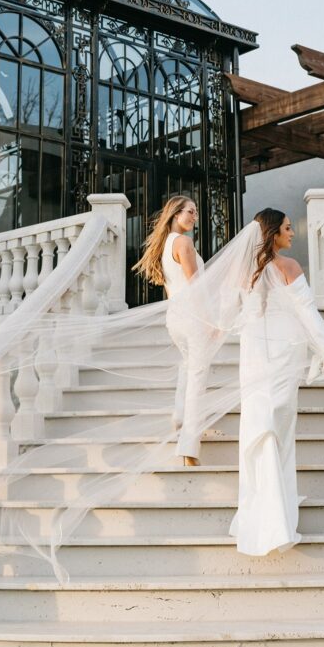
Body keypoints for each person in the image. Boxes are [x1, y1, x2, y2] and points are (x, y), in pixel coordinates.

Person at [231, 208, 324, 555]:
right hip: (278, 360)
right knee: (278, 435)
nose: (293, 233)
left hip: (254, 359)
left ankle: (261, 515)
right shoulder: (289, 267)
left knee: (258, 431)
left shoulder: (244, 271)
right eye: (288, 228)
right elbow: (310, 316)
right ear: (273, 232)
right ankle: (277, 519)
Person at [133, 195, 206, 466]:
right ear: (175, 214)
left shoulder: (165, 245)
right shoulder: (184, 242)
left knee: (188, 367)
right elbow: (196, 285)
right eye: (189, 211)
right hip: (193, 318)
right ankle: (189, 446)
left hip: (175, 318)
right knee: (198, 375)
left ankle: (179, 416)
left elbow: (171, 288)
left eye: (196, 212)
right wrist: (208, 319)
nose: (194, 216)